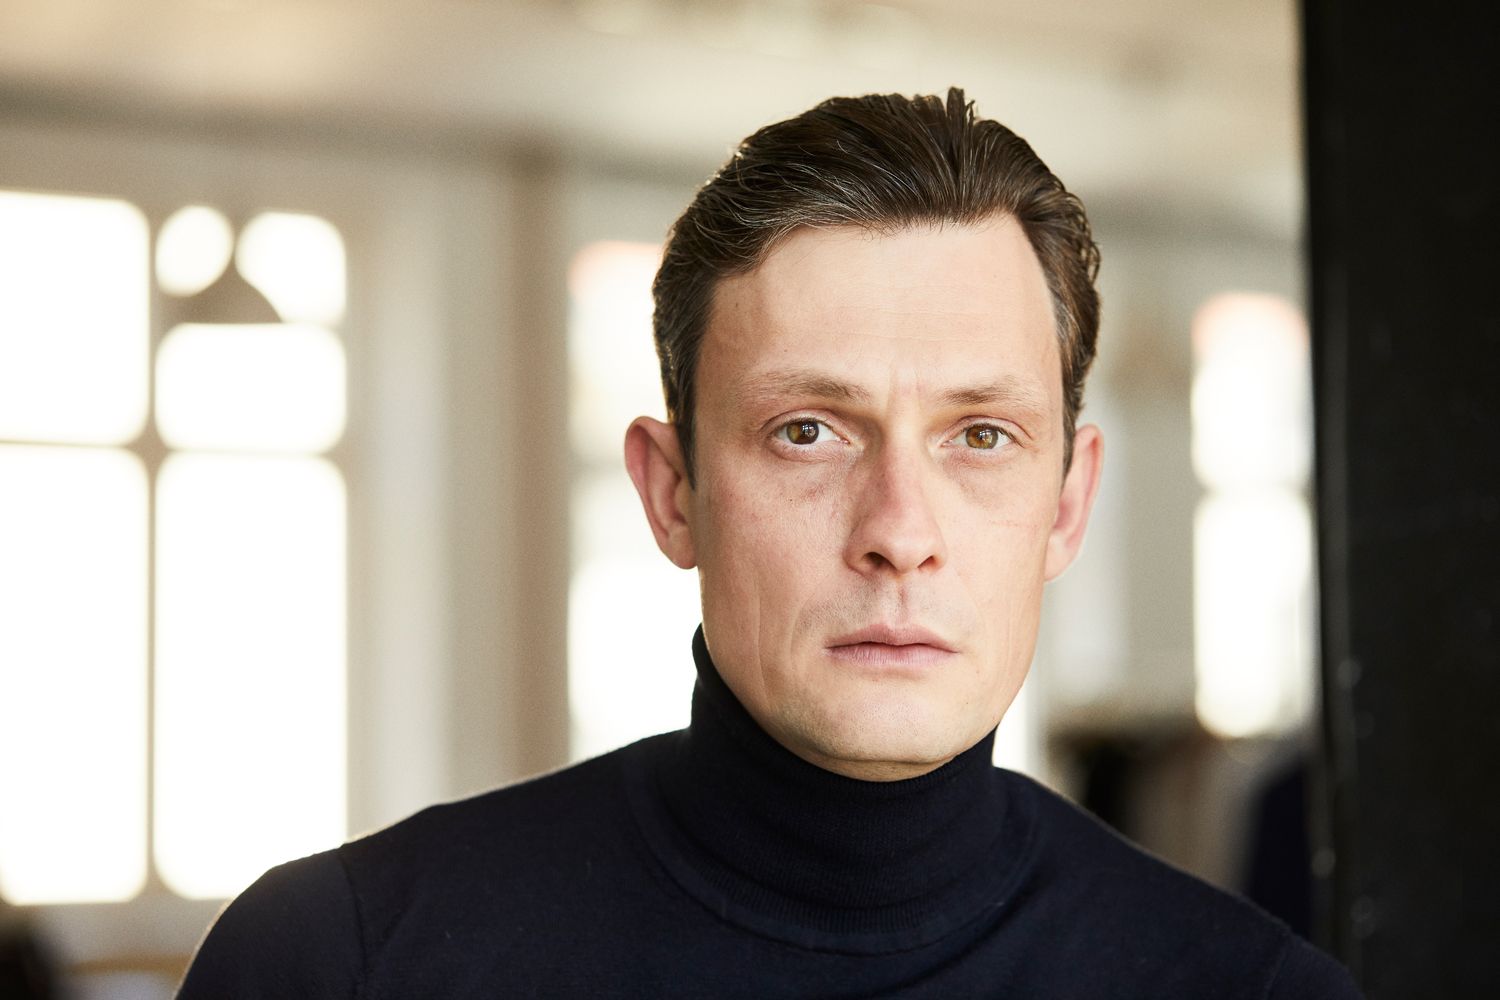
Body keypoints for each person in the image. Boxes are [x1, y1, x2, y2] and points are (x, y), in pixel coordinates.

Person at [177, 89, 1361, 998]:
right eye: (808, 431)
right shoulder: (339, 966)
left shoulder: (1251, 992)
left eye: (981, 435)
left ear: (1066, 502)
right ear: (672, 493)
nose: (899, 532)